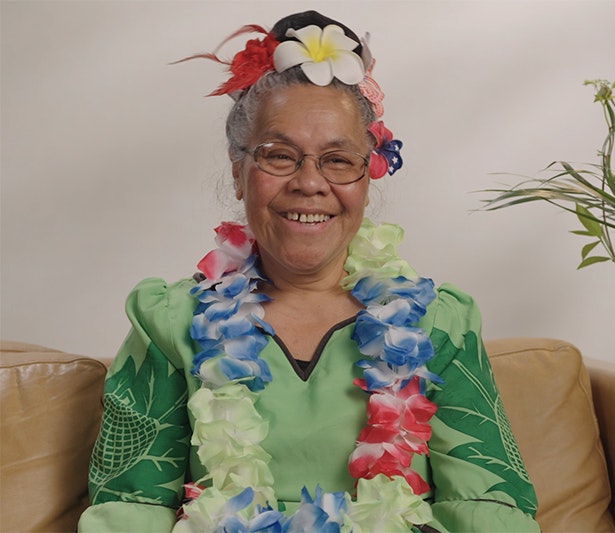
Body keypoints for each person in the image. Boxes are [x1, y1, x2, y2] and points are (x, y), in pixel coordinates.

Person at [78, 10, 540, 533]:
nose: (309, 183)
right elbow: (127, 509)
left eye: (338, 160)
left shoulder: (437, 324)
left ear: (367, 177)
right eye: (280, 156)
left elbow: (490, 507)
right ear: (238, 174)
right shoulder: (168, 322)